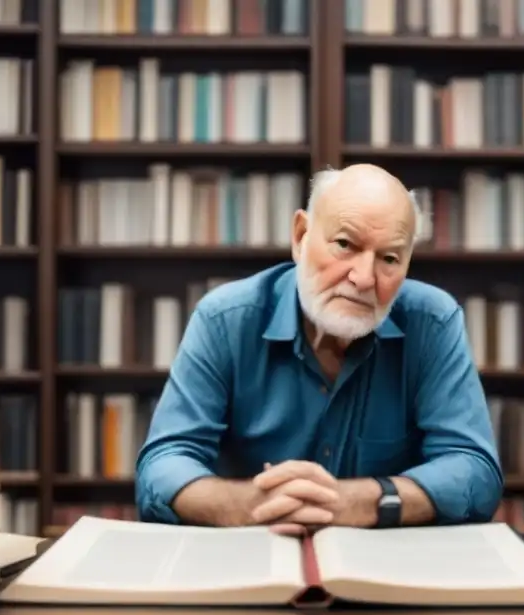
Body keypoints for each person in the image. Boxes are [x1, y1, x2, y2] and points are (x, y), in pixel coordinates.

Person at [135, 163, 503, 535]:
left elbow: (475, 472)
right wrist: (253, 505)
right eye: (345, 245)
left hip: (380, 560)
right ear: (301, 236)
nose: (363, 278)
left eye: (389, 259)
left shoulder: (433, 322)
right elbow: (163, 467)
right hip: (253, 553)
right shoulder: (225, 319)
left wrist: (363, 501)